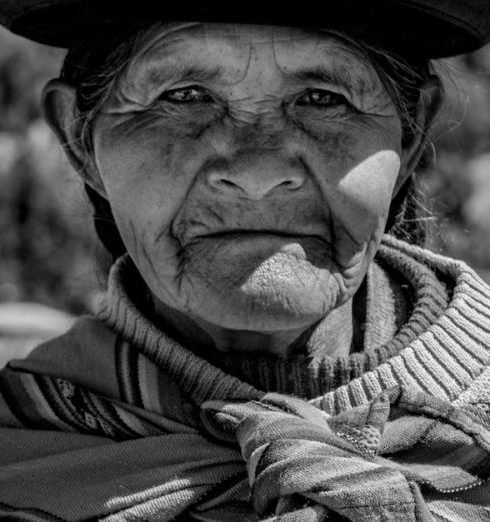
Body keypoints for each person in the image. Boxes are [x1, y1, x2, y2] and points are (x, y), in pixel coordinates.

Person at [0, 1, 489, 520]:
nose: (256, 174)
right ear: (81, 140)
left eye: (322, 98)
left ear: (411, 133)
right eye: (185, 96)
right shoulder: (19, 450)